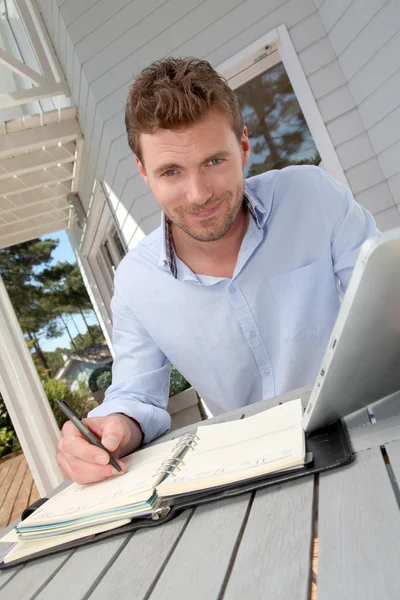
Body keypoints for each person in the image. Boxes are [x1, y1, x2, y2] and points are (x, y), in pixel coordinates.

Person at [57, 58, 377, 484]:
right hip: (258, 471)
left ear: (243, 148)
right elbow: (136, 397)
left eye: (214, 162)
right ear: (144, 173)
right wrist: (112, 429)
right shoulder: (137, 281)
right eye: (171, 171)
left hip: (367, 431)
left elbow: (384, 302)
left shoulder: (312, 196)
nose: (199, 194)